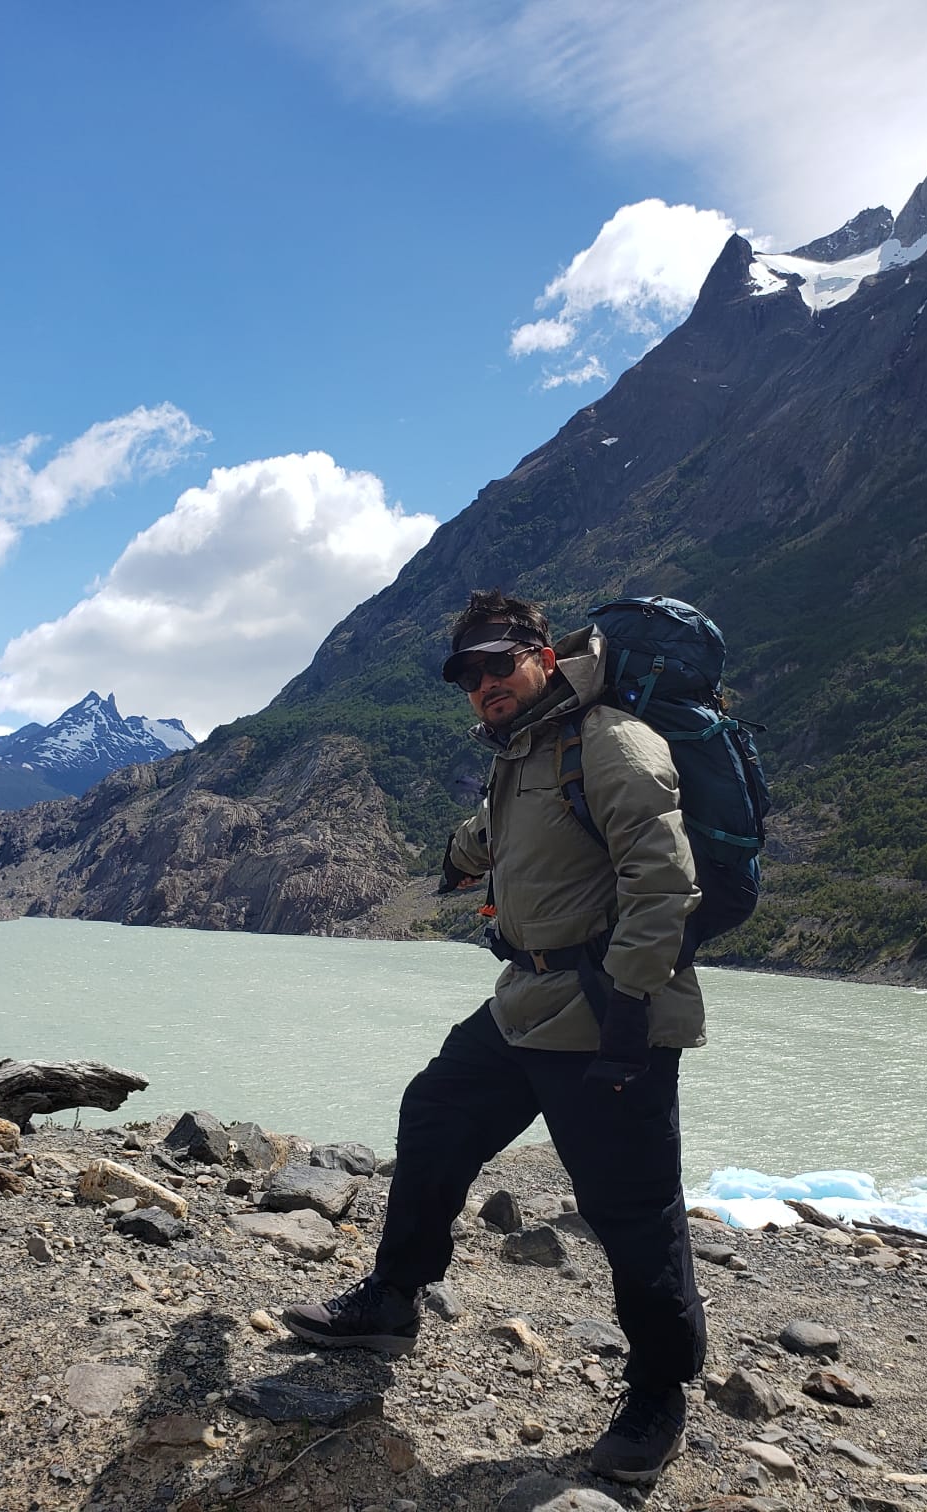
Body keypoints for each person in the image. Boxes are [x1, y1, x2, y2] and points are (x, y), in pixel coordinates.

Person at [282, 587, 707, 1485]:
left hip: (605, 1011)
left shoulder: (614, 744)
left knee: (632, 1210)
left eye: (497, 664)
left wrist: (629, 1011)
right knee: (435, 1110)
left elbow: (663, 884)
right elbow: (513, 837)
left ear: (543, 656)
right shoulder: (525, 751)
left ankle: (658, 1395)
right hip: (526, 1000)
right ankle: (394, 1299)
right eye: (467, 675)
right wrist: (464, 849)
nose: (482, 685)